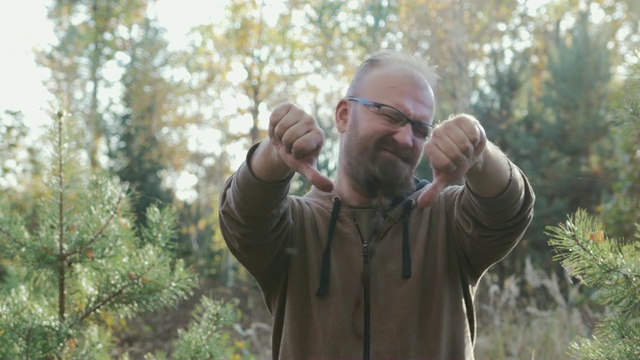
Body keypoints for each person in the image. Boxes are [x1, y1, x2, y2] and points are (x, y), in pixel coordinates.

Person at [219, 50, 535, 360]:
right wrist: (274, 153)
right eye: (390, 114)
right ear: (343, 114)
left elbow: (509, 210)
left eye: (420, 128)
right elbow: (243, 215)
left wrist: (479, 153)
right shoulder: (294, 228)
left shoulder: (447, 220)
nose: (405, 138)